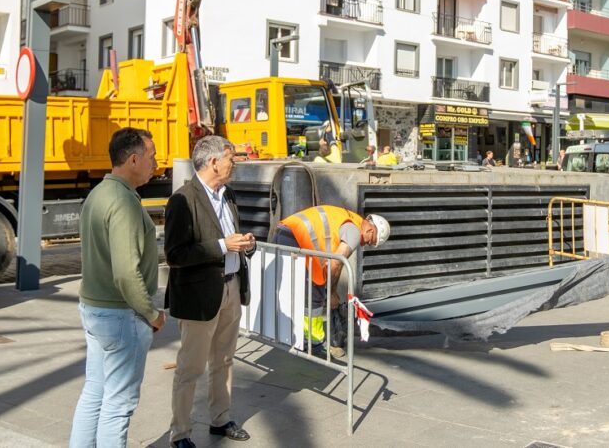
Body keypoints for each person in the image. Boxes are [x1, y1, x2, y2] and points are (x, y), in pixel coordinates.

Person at [70, 128, 165, 447]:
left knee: (94, 394)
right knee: (118, 406)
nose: (155, 162)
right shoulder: (123, 201)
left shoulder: (99, 194)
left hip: (96, 310)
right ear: (134, 159)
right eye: (151, 156)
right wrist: (152, 313)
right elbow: (126, 273)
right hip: (120, 315)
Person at [164, 136, 256, 447]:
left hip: (230, 288)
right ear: (214, 161)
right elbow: (175, 255)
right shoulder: (183, 199)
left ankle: (221, 419)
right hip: (200, 297)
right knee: (191, 367)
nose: (235, 163)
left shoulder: (227, 195)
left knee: (225, 360)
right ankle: (181, 433)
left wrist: (245, 244)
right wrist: (222, 245)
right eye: (231, 157)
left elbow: (229, 239)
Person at [273, 206, 390, 358]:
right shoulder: (354, 232)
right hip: (295, 238)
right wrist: (332, 292)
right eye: (370, 242)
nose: (365, 244)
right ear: (370, 231)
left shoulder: (350, 218)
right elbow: (337, 262)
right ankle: (313, 345)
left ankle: (291, 337)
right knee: (315, 296)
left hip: (285, 231)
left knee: (296, 289)